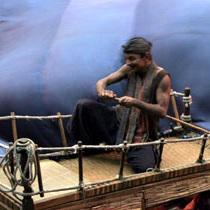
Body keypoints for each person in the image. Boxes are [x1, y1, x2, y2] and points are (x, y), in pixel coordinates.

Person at [65, 37, 171, 173]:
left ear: (146, 56)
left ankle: (147, 152)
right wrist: (102, 91)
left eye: (132, 59)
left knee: (145, 169)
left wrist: (135, 102)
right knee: (83, 106)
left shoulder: (162, 77)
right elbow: (102, 81)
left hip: (140, 134)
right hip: (118, 122)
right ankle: (90, 149)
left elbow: (162, 111)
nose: (128, 63)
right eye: (126, 59)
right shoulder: (129, 69)